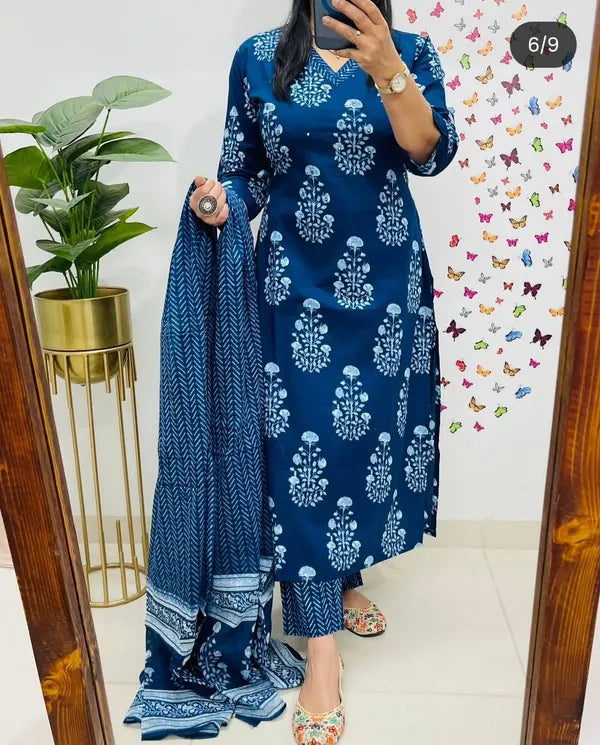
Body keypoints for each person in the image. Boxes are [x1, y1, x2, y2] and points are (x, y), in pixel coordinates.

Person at [190, 1, 458, 742]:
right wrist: (219, 203)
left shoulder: (411, 52)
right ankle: (321, 655)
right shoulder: (259, 57)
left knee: (360, 446)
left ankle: (342, 581)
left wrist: (389, 69)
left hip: (385, 293)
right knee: (301, 455)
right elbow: (243, 171)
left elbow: (429, 154)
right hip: (293, 287)